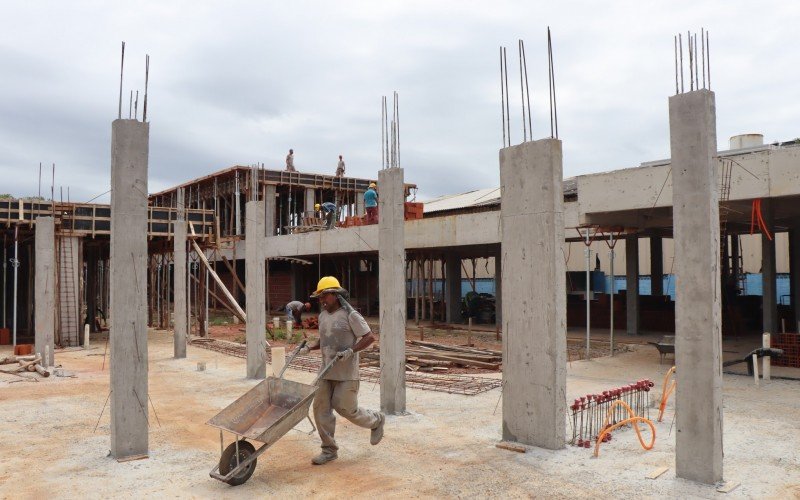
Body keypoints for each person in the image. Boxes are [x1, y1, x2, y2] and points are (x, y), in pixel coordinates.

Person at [298, 276, 385, 465]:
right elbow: (325, 339)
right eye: (319, 297)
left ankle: (376, 420)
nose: (321, 300)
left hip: (346, 373)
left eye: (325, 296)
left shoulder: (351, 315)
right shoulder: (322, 316)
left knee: (345, 408)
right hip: (325, 371)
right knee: (320, 408)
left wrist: (351, 351)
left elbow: (369, 337)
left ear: (335, 295)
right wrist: (309, 347)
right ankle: (329, 450)